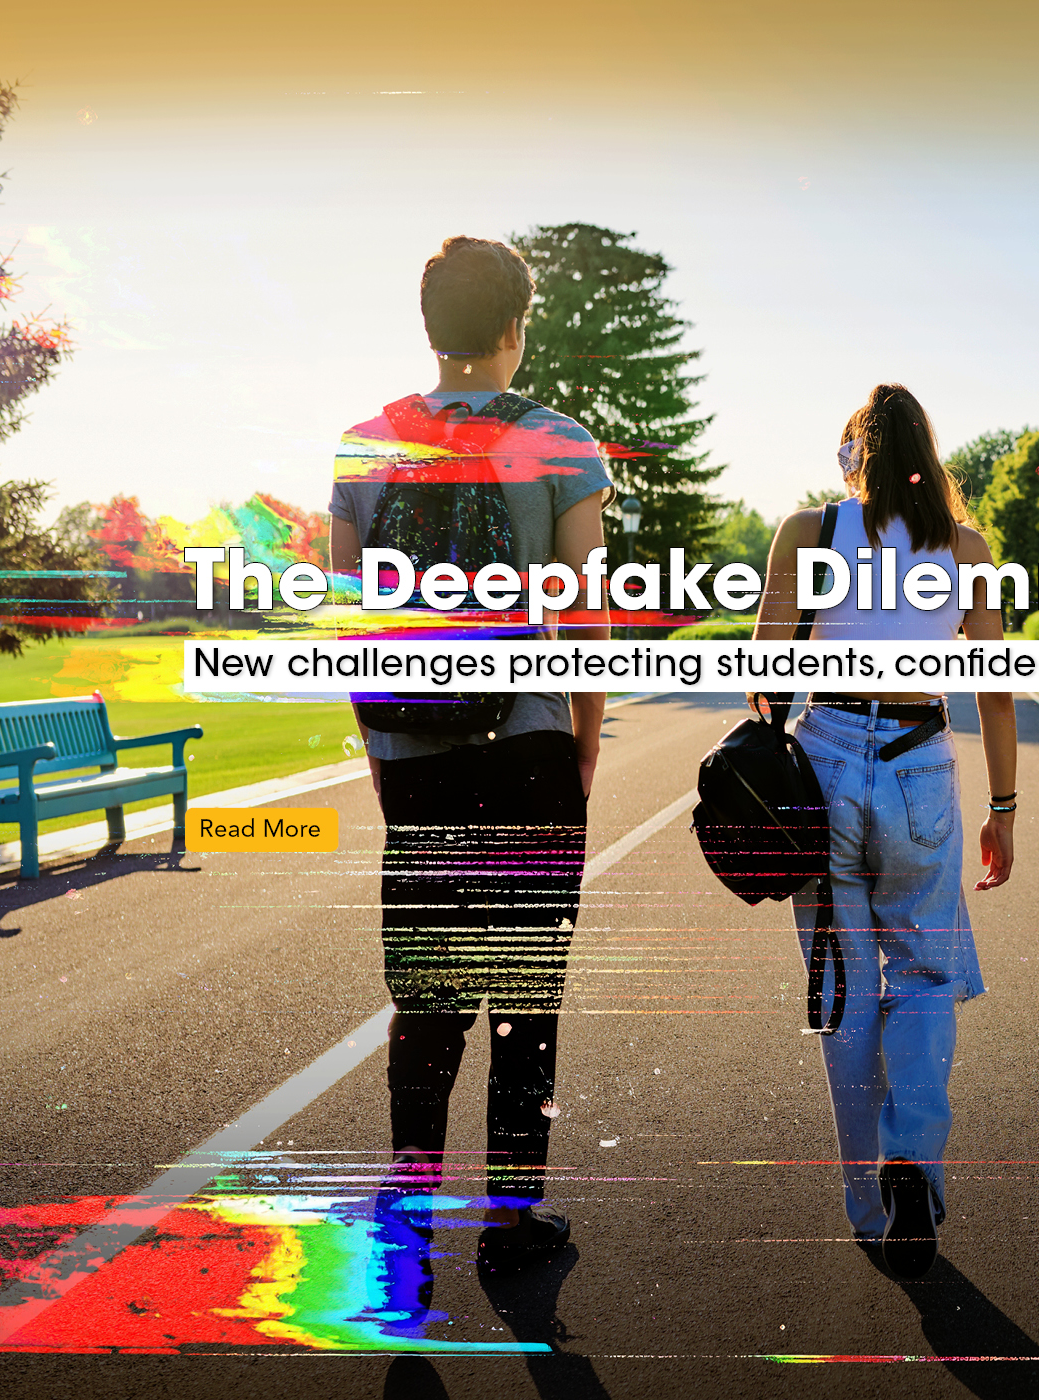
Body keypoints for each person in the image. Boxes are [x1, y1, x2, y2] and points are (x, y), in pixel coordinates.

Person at [329, 235, 612, 1266]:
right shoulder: (562, 441)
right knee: (525, 985)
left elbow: (351, 622)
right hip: (525, 740)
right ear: (511, 328)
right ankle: (512, 1213)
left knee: (428, 986)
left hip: (412, 749)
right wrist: (584, 741)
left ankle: (405, 1205)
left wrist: (383, 753)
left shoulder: (364, 443)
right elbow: (585, 614)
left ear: (428, 324)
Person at [750, 383, 1018, 1280]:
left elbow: (767, 673)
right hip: (919, 766)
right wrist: (1005, 810)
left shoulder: (809, 531)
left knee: (846, 986)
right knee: (928, 973)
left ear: (853, 457)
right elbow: (995, 690)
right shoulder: (966, 548)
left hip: (825, 757)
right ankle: (915, 1158)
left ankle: (868, 1203)